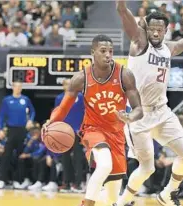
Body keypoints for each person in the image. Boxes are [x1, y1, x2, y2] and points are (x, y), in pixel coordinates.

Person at [116, 1, 183, 205]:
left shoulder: (168, 49)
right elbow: (122, 11)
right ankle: (122, 202)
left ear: (166, 30)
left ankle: (167, 194)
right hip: (140, 114)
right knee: (147, 167)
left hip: (162, 112)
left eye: (160, 29)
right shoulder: (139, 42)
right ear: (146, 28)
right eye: (152, 28)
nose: (156, 32)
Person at [42, 34, 143, 206]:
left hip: (117, 134)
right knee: (104, 165)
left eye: (110, 51)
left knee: (112, 197)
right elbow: (64, 108)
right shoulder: (81, 78)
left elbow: (139, 110)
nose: (108, 55)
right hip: (92, 130)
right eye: (103, 51)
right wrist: (50, 121)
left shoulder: (124, 75)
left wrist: (129, 117)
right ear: (93, 53)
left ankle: (106, 198)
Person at [0, 82, 35, 189]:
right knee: (6, 155)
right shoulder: (7, 100)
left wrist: (30, 120)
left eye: (20, 87)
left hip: (22, 130)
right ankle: (1, 180)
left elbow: (32, 111)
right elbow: (1, 115)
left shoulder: (25, 99)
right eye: (16, 87)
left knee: (20, 156)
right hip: (11, 130)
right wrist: (0, 129)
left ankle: (18, 180)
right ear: (13, 88)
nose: (18, 89)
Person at [55, 79, 85, 193]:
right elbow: (57, 114)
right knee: (65, 158)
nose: (69, 86)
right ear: (63, 86)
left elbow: (85, 113)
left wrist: (82, 128)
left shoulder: (81, 97)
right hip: (64, 132)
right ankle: (66, 183)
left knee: (78, 158)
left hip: (77, 132)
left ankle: (78, 184)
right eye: (66, 84)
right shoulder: (59, 98)